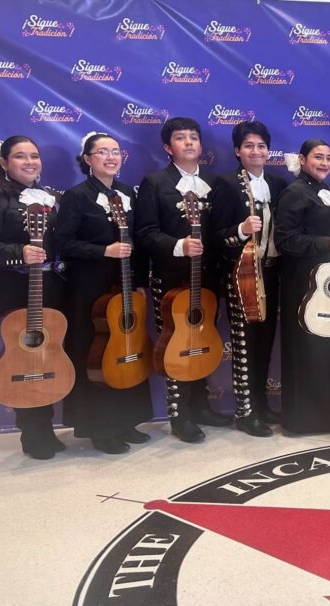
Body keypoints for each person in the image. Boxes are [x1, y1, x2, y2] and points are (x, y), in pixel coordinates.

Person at [0, 136, 66, 459]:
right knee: (25, 356)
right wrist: (17, 252)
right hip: (13, 288)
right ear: (4, 163)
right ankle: (34, 432)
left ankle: (48, 424)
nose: (30, 162)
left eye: (34, 155)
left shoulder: (52, 198)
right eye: (20, 156)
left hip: (53, 285)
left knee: (50, 354)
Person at [53, 132, 154, 454]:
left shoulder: (127, 194)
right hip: (89, 290)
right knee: (97, 352)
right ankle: (100, 427)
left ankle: (128, 420)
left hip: (124, 285)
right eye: (101, 152)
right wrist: (103, 251)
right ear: (87, 159)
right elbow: (62, 244)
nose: (110, 157)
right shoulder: (76, 196)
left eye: (115, 151)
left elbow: (136, 244)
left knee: (129, 347)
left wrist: (139, 280)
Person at [135, 116, 229, 443]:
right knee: (175, 344)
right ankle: (180, 414)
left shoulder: (215, 183)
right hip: (171, 277)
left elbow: (221, 232)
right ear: (167, 147)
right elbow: (145, 232)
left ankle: (202, 405)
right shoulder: (155, 182)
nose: (189, 142)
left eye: (193, 137)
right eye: (180, 138)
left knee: (203, 340)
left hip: (209, 277)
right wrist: (178, 245)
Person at [209, 120, 288, 438]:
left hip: (271, 270)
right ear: (238, 151)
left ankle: (260, 402)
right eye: (249, 146)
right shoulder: (226, 184)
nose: (256, 151)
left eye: (261, 146)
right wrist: (241, 230)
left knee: (265, 341)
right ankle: (244, 411)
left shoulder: (279, 184)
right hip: (240, 272)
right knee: (243, 343)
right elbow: (215, 236)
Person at [273, 139, 330, 433]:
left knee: (326, 350)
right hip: (303, 284)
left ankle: (329, 414)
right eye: (318, 157)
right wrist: (324, 242)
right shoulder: (295, 192)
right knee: (307, 351)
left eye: (329, 157)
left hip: (328, 285)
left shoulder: (325, 191)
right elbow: (284, 240)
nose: (324, 162)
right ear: (303, 160)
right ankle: (304, 419)